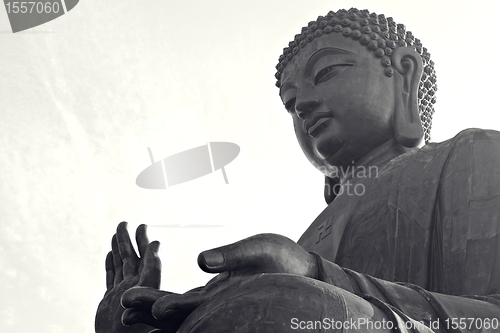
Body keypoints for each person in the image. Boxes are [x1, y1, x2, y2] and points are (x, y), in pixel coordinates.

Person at [96, 8, 500, 333]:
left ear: (405, 74)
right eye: (290, 102)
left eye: (327, 73)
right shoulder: (309, 237)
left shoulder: (471, 156)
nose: (304, 104)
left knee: (277, 305)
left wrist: (315, 276)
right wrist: (134, 324)